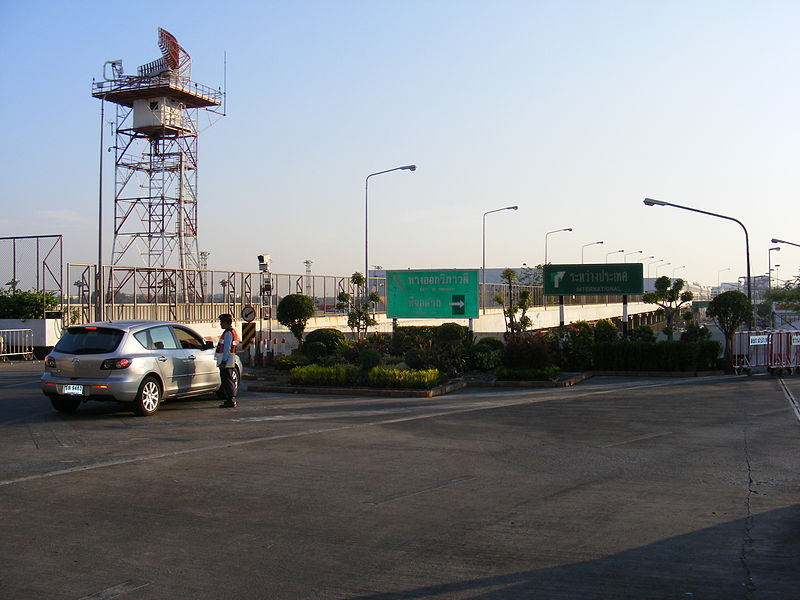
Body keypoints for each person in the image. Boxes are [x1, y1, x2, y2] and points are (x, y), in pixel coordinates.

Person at [216, 313, 240, 408]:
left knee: (228, 380)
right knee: (228, 380)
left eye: (221, 322)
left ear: (226, 322)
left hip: (227, 361)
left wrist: (224, 362)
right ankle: (230, 399)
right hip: (229, 361)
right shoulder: (231, 332)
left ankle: (231, 399)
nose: (220, 324)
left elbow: (227, 349)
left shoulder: (228, 333)